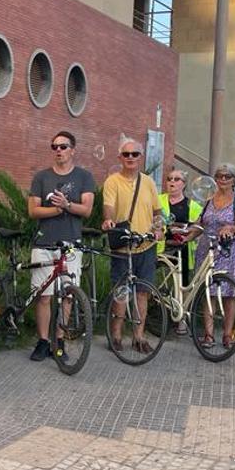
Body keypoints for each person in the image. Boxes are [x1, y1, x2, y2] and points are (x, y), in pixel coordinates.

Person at [26, 131, 95, 361]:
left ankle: (60, 341)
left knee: (67, 296)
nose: (58, 150)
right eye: (54, 146)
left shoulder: (84, 177)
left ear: (73, 149)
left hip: (71, 245)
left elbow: (86, 210)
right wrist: (56, 210)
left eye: (63, 146)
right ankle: (43, 341)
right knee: (43, 296)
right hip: (44, 243)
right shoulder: (41, 177)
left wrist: (66, 204)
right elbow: (33, 210)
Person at [101, 138, 162, 352]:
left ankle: (138, 336)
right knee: (121, 291)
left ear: (140, 157)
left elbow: (157, 211)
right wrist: (108, 220)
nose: (130, 158)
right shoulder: (112, 181)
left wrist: (159, 227)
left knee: (142, 292)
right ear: (120, 157)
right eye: (126, 154)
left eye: (134, 154)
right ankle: (116, 334)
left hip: (145, 244)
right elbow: (108, 207)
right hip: (123, 244)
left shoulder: (148, 182)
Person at [194, 163, 235, 348]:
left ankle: (227, 334)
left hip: (227, 251)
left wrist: (230, 228)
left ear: (234, 180)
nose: (223, 179)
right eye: (219, 176)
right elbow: (200, 222)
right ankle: (208, 335)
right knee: (207, 293)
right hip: (206, 249)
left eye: (227, 176)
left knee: (229, 294)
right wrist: (186, 234)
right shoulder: (209, 199)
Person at [158, 168, 203, 335]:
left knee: (183, 285)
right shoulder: (158, 200)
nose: (172, 182)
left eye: (177, 179)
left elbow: (198, 227)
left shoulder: (193, 205)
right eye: (169, 178)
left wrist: (189, 235)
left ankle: (182, 318)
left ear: (183, 184)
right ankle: (156, 314)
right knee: (155, 282)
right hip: (162, 247)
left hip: (183, 248)